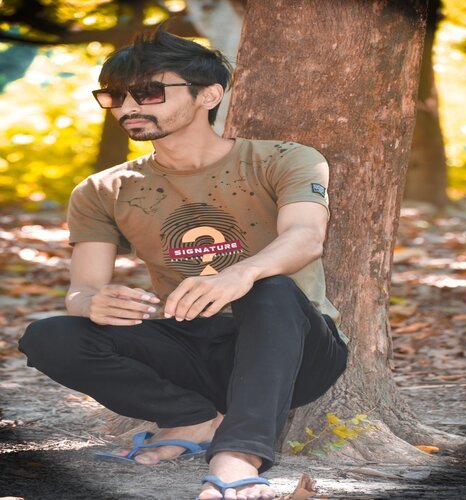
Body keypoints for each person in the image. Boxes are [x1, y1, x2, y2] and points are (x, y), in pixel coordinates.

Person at [18, 25, 348, 500]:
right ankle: (192, 418)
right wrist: (94, 304)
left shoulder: (283, 159)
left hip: (294, 349)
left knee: (269, 287)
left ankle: (240, 454)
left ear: (208, 95)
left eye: (149, 92)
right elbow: (82, 289)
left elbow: (306, 237)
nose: (128, 107)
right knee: (48, 336)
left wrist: (241, 273)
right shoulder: (102, 190)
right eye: (115, 96)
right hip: (192, 345)